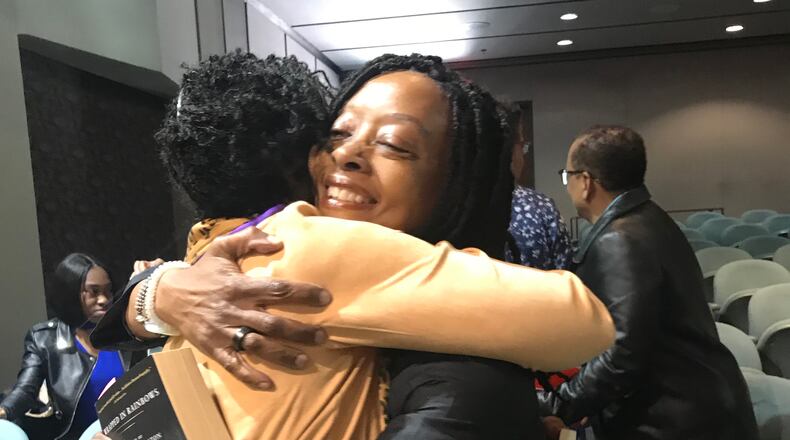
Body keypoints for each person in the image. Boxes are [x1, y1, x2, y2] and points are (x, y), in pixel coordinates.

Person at [93, 53, 613, 439]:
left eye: (395, 144)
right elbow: (584, 321)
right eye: (338, 134)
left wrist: (153, 294)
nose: (350, 156)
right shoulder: (296, 244)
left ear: (456, 182)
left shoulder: (249, 251)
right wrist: (155, 293)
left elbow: (583, 324)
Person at [540, 125, 758, 440]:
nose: (568, 185)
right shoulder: (650, 218)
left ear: (585, 182)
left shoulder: (619, 238)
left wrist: (558, 404)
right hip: (698, 405)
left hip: (677, 420)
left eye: (568, 175)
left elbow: (623, 354)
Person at [1, 253, 125, 440]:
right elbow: (25, 390)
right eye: (94, 291)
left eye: (108, 291)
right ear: (71, 293)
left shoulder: (127, 333)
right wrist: (3, 411)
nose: (104, 300)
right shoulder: (45, 339)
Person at [505, 107, 572, 270]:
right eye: (522, 145)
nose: (524, 154)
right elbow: (565, 276)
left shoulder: (449, 211)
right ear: (509, 149)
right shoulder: (541, 208)